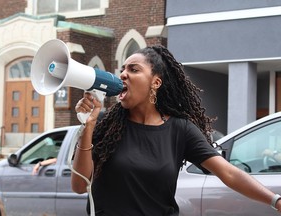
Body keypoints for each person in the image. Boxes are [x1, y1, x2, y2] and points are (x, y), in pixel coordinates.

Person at [71, 45, 281, 215]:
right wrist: (88, 127)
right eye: (123, 69)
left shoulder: (180, 129)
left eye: (133, 69)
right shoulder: (107, 127)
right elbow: (80, 186)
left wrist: (275, 201)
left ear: (156, 82)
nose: (123, 75)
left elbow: (228, 173)